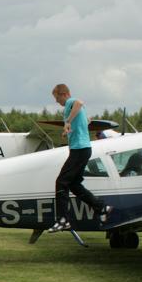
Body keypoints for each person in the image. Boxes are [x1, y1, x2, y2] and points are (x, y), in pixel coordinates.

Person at [49, 84, 112, 231]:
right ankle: (102, 207)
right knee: (74, 185)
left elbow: (79, 102)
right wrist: (78, 124)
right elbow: (83, 117)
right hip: (82, 150)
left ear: (63, 94)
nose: (56, 101)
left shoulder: (71, 103)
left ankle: (63, 219)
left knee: (61, 182)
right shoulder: (76, 110)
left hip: (80, 150)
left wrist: (68, 122)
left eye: (56, 97)